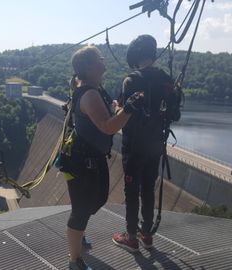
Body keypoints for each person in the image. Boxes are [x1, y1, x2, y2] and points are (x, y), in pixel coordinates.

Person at [65, 45, 145, 270]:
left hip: (91, 159)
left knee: (96, 201)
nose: (104, 60)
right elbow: (108, 127)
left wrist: (122, 107)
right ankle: (74, 260)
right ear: (90, 66)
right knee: (81, 210)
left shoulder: (94, 88)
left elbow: (109, 114)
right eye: (100, 58)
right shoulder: (90, 94)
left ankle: (78, 236)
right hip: (84, 162)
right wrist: (129, 110)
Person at [112, 35, 180, 253]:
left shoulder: (131, 80)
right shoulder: (166, 79)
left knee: (131, 191)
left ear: (135, 55)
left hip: (134, 147)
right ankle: (147, 235)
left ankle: (131, 237)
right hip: (156, 145)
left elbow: (124, 113)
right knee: (148, 189)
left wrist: (115, 107)